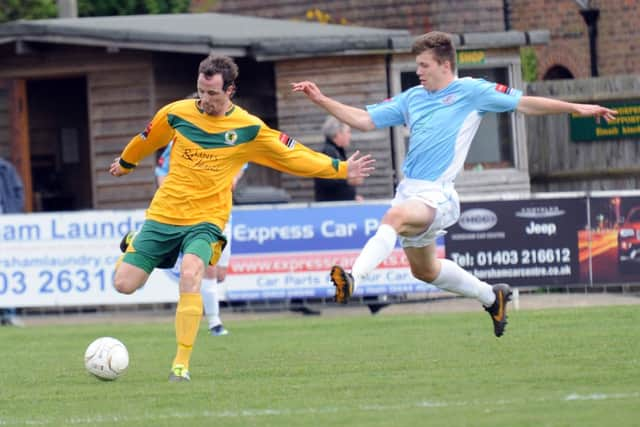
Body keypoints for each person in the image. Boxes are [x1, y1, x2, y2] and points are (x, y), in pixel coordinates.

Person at [292, 31, 617, 338]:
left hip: (438, 195)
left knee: (393, 219)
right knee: (426, 271)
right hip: (409, 192)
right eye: (417, 65)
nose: (418, 71)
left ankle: (353, 280)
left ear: (445, 65)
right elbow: (363, 120)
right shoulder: (413, 98)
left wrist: (575, 107)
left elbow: (525, 103)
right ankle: (492, 297)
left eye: (424, 65)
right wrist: (321, 98)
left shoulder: (471, 91)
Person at [109, 54, 375, 382]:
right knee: (124, 285)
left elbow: (294, 156)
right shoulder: (176, 113)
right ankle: (135, 243)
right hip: (165, 213)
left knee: (192, 273)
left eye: (212, 94)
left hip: (206, 219)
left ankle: (181, 364)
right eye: (201, 92)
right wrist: (126, 162)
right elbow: (147, 139)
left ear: (230, 90)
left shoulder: (248, 128)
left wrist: (341, 169)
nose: (204, 100)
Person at [154, 141, 247, 336]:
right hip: (198, 216)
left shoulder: (227, 136)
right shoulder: (181, 140)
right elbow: (161, 169)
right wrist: (169, 196)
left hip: (223, 213)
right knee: (209, 271)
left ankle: (201, 302)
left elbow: (242, 160)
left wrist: (233, 178)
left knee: (220, 274)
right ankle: (215, 323)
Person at [0, 157, 25, 327]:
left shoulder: (6, 169)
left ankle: (9, 313)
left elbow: (18, 192)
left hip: (7, 226)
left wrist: (12, 214)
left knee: (7, 267)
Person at [314, 115, 364, 202]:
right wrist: (349, 180)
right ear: (338, 134)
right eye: (348, 132)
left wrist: (353, 197)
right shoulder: (328, 152)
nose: (350, 136)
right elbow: (326, 181)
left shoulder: (337, 152)